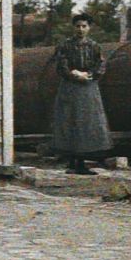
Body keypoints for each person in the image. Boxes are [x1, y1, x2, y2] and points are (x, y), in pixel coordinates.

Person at [49, 12, 114, 175]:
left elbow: (101, 65)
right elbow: (61, 66)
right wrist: (73, 74)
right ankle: (72, 161)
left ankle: (83, 160)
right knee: (71, 121)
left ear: (89, 28)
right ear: (73, 28)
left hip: (88, 88)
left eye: (84, 26)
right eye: (78, 26)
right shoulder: (65, 45)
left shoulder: (94, 46)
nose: (81, 29)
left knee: (88, 122)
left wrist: (90, 75)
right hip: (70, 88)